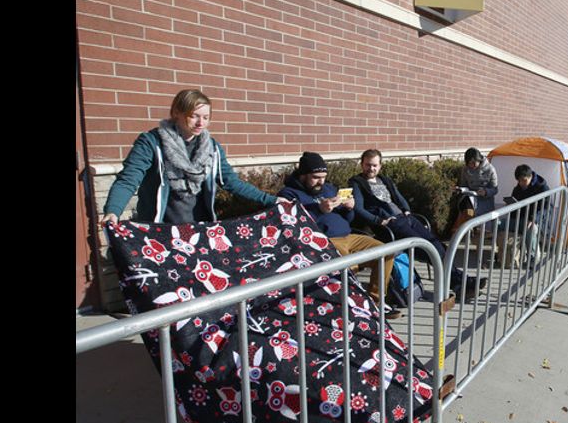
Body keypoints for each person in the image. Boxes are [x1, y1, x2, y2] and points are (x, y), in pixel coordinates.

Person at [101, 89, 278, 226]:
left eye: (206, 117)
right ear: (177, 112)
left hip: (199, 228)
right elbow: (128, 179)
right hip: (160, 230)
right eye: (194, 116)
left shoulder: (212, 148)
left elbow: (231, 182)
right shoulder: (151, 143)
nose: (201, 123)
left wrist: (271, 200)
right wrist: (113, 211)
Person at [349, 149, 486, 298]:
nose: (371, 169)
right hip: (392, 224)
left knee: (439, 246)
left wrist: (407, 209)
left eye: (375, 165)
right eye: (368, 165)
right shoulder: (357, 183)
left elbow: (398, 197)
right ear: (362, 165)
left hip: (406, 218)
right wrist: (378, 220)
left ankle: (461, 281)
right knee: (430, 250)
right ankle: (460, 283)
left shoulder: (384, 179)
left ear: (380, 166)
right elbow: (358, 208)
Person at [278, 152, 397, 316]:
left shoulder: (328, 188)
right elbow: (293, 224)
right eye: (316, 177)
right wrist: (318, 210)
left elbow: (347, 218)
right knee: (350, 265)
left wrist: (349, 208)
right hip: (324, 240)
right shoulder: (288, 194)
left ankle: (375, 302)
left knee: (386, 252)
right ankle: (353, 306)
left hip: (349, 235)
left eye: (324, 177)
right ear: (303, 175)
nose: (321, 181)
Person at [496, 165, 550, 267]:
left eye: (524, 180)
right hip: (518, 219)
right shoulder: (518, 188)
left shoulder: (542, 188)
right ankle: (501, 254)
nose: (521, 183)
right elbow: (514, 207)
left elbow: (545, 208)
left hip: (534, 221)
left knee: (530, 228)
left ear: (530, 176)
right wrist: (510, 206)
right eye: (519, 181)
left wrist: (533, 218)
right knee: (498, 223)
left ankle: (533, 257)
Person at [452, 147, 498, 231]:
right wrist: (460, 189)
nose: (471, 166)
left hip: (484, 200)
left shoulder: (490, 169)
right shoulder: (465, 169)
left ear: (479, 159)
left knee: (469, 211)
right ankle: (463, 231)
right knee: (466, 207)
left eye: (473, 163)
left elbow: (495, 189)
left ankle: (460, 230)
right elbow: (463, 184)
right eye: (469, 163)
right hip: (470, 197)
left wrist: (485, 192)